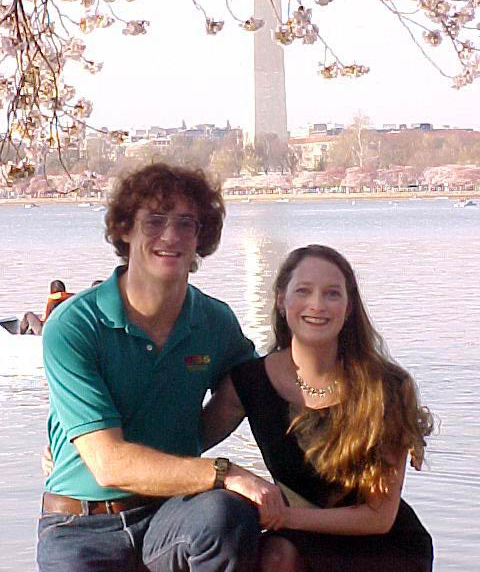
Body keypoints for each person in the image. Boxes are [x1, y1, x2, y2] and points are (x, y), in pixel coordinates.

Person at [38, 163, 285, 572]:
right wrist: (222, 472)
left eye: (186, 223)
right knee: (228, 489)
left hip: (171, 516)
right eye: (154, 221)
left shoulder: (214, 322)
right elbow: (108, 463)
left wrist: (380, 412)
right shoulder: (74, 326)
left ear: (200, 237)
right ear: (125, 230)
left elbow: (260, 386)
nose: (170, 236)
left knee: (227, 515)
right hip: (80, 526)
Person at [203, 244, 434, 572]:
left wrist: (278, 515)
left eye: (332, 294)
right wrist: (229, 475)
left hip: (381, 546)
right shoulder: (249, 382)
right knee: (274, 558)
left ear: (349, 307)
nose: (317, 305)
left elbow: (378, 518)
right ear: (281, 301)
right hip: (297, 538)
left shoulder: (387, 388)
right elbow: (189, 441)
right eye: (303, 291)